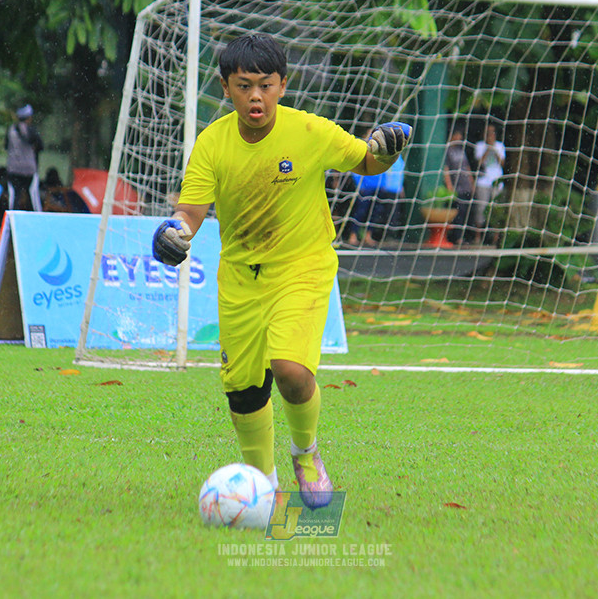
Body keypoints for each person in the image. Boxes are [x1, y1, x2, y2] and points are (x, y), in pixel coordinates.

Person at [150, 33, 411, 508]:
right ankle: (262, 484)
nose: (255, 96)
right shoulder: (212, 144)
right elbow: (190, 212)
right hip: (241, 278)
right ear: (225, 87)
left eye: (266, 85)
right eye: (244, 85)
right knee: (244, 391)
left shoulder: (308, 131)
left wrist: (387, 148)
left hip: (302, 268)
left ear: (283, 86)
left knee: (289, 370)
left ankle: (306, 454)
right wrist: (174, 234)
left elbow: (367, 160)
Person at [345, 155, 405, 247]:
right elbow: (356, 169)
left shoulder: (389, 153)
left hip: (380, 187)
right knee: (361, 212)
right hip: (366, 187)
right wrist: (360, 185)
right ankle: (353, 235)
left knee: (375, 212)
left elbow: (388, 171)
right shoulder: (368, 148)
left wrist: (388, 185)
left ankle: (368, 235)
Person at [5, 104, 44, 211]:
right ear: (29, 117)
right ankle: (34, 218)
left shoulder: (11, 130)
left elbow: (6, 146)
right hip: (29, 169)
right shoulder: (31, 130)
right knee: (31, 195)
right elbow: (40, 146)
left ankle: (12, 219)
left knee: (15, 195)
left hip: (13, 168)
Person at [473, 124, 506, 244]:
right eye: (488, 133)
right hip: (483, 182)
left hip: (497, 182)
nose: (490, 135)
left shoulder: (500, 146)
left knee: (496, 210)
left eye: (492, 133)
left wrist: (494, 149)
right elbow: (479, 163)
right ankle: (478, 237)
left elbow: (502, 163)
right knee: (481, 209)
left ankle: (495, 239)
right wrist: (488, 148)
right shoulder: (480, 145)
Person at [443, 128, 476, 245]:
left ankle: (466, 237)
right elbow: (446, 169)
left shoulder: (461, 151)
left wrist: (472, 182)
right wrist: (449, 185)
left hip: (466, 185)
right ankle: (457, 238)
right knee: (458, 213)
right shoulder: (448, 150)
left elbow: (467, 167)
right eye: (457, 135)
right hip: (457, 187)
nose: (459, 138)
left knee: (467, 212)